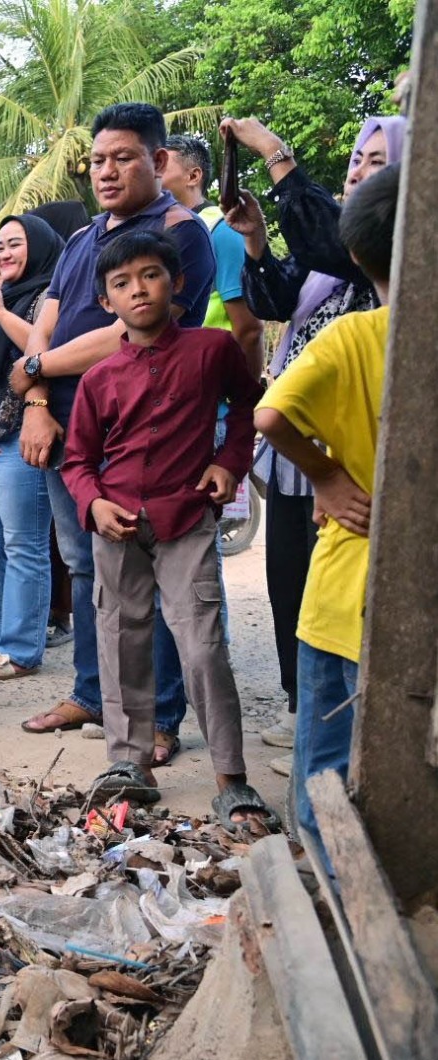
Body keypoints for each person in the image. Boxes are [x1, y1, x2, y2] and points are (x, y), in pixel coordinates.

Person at [9, 103, 216, 751]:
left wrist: (34, 368)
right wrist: (39, 402)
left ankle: (157, 717)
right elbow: (47, 317)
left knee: (143, 574)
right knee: (84, 565)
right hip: (69, 428)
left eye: (123, 157)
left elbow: (128, 332)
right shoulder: (78, 239)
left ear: (157, 162)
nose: (106, 171)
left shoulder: (180, 233)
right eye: (97, 160)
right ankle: (93, 696)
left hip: (143, 432)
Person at [61, 230, 272, 829]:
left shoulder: (212, 350)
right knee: (120, 640)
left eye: (150, 275)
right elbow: (77, 459)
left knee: (202, 644)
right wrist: (94, 505)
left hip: (185, 520)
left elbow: (249, 409)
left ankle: (232, 778)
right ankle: (129, 766)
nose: (138, 290)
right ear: (106, 302)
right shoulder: (101, 377)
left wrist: (228, 464)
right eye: (121, 284)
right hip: (117, 525)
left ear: (176, 282)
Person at [222, 114, 406, 763]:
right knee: (290, 576)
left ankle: (348, 738)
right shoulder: (331, 263)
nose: (357, 173)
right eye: (356, 160)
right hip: (303, 444)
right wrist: (255, 244)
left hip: (346, 443)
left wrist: (274, 152)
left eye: (375, 162)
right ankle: (307, 710)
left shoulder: (377, 256)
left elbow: (331, 236)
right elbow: (275, 296)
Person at [255, 163, 397, 851]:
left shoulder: (350, 337)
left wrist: (327, 478)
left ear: (357, 251)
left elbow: (271, 413)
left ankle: (328, 894)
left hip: (343, 592)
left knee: (323, 776)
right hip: (406, 610)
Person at [0, 214, 64, 681]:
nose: (3, 254)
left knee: (23, 544)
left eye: (15, 245)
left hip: (23, 432)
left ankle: (20, 647)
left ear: (38, 248)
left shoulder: (47, 298)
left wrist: (2, 311)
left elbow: (43, 354)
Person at [162, 135, 265, 371]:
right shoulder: (155, 230)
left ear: (193, 176)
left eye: (162, 165)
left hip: (213, 391)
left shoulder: (221, 230)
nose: (152, 172)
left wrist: (241, 400)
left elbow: (249, 329)